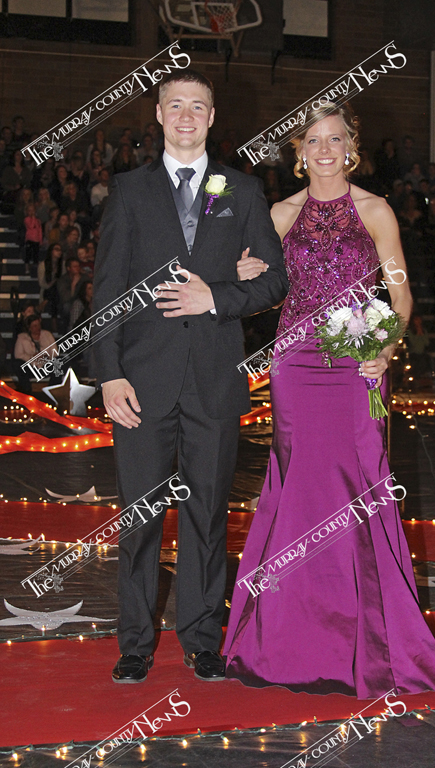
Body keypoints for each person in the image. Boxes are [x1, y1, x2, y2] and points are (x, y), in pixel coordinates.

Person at [223, 104, 435, 698]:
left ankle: (369, 637)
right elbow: (260, 286)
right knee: (298, 483)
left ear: (351, 147)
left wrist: (388, 348)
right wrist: (245, 269)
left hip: (359, 363)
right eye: (313, 140)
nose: (324, 149)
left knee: (358, 483)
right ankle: (282, 635)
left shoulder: (375, 210)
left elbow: (400, 295)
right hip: (296, 363)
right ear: (299, 152)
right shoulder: (278, 214)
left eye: (335, 139)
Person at [92, 69, 288, 685]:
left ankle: (203, 637)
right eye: (174, 104)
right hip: (141, 382)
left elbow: (275, 281)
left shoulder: (243, 190)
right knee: (139, 517)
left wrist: (216, 297)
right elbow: (108, 291)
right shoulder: (129, 190)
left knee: (207, 515)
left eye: (196, 106)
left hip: (213, 379)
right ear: (158, 114)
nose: (185, 115)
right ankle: (135, 643)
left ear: (211, 116)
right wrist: (109, 375)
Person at [13, 313, 57, 394]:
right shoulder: (22, 338)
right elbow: (18, 355)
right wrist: (32, 357)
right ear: (29, 328)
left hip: (45, 365)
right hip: (31, 366)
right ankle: (26, 390)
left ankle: (53, 390)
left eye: (39, 325)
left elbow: (55, 353)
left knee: (58, 362)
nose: (38, 328)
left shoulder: (47, 335)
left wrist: (46, 357)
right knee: (18, 364)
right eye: (35, 326)